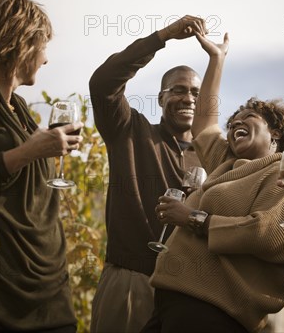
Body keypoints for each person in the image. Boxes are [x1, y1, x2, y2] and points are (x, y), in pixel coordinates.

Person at [141, 32, 284, 333]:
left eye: (250, 116)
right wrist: (217, 59)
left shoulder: (282, 171)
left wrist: (192, 218)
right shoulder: (226, 165)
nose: (236, 123)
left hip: (213, 314)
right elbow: (204, 124)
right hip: (170, 304)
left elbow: (269, 234)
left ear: (276, 134)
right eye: (233, 121)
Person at [0, 0, 82, 331]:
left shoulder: (19, 107)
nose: (47, 59)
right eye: (43, 46)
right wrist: (28, 152)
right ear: (21, 43)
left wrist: (47, 147)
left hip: (48, 285)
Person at [88, 16, 207, 332]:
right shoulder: (129, 130)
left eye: (196, 92)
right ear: (161, 98)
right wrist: (163, 36)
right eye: (178, 90)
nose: (188, 98)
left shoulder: (214, 157)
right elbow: (103, 83)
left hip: (189, 294)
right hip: (133, 281)